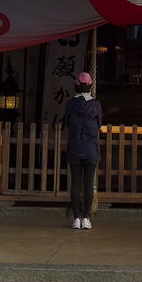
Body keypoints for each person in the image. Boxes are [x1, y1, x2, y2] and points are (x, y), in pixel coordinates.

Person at [64, 71, 102, 229]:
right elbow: (99, 124)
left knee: (75, 184)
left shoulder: (70, 104)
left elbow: (67, 122)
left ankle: (76, 218)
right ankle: (86, 218)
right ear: (90, 86)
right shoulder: (96, 105)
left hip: (74, 146)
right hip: (90, 148)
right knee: (88, 183)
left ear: (76, 86)